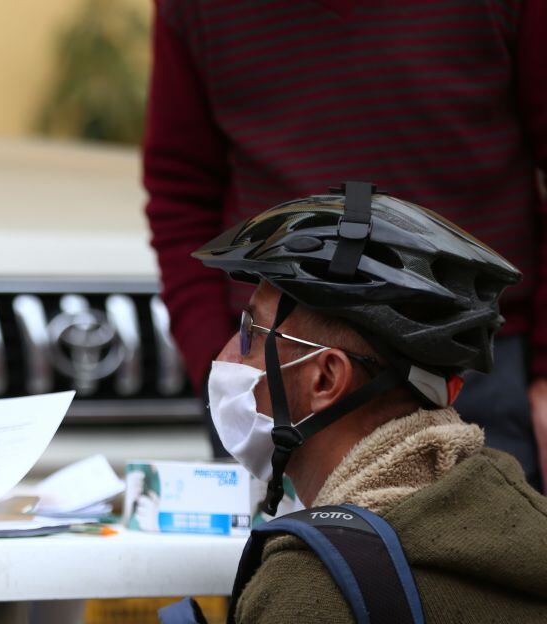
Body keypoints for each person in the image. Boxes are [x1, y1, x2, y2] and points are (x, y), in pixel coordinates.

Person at [143, 0, 547, 491]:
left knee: (480, 556)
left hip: (479, 361)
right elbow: (181, 188)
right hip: (277, 366)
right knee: (288, 566)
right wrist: (225, 362)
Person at [167, 185, 547, 622]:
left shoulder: (310, 590)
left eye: (251, 330)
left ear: (325, 378)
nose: (225, 356)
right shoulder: (520, 520)